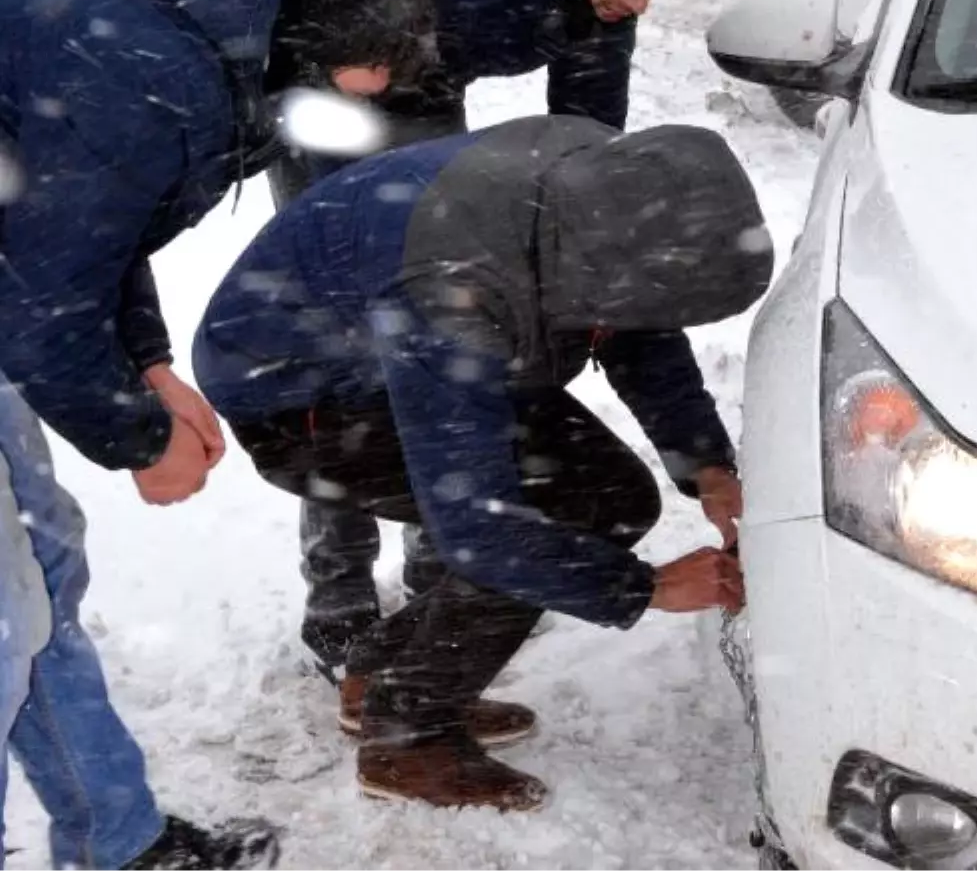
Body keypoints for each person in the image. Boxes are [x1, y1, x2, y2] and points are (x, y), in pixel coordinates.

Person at [0, 0, 436, 870]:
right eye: (370, 66)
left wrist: (146, 362)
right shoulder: (155, 71)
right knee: (7, 600)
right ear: (322, 31)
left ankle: (116, 842)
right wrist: (139, 437)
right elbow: (44, 303)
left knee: (34, 566)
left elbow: (80, 223)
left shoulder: (183, 8)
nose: (373, 89)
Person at [193, 115, 773, 812]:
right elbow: (477, 530)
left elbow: (639, 327)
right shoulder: (451, 283)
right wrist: (644, 589)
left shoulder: (598, 191)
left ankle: (382, 672)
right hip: (306, 402)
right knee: (532, 520)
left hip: (406, 347)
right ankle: (407, 737)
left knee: (610, 499)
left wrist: (707, 465)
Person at [280, 0, 723, 676]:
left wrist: (586, 240)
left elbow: (590, 146)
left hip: (426, 52)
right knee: (361, 344)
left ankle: (439, 570)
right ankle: (340, 608)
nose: (640, 1)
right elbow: (374, 201)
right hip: (326, 65)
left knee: (442, 317)